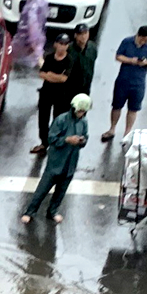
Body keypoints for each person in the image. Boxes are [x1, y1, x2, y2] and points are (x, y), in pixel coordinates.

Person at [22, 93, 90, 225]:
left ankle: (52, 211)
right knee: (43, 189)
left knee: (61, 190)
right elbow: (51, 139)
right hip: (56, 162)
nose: (81, 113)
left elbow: (86, 137)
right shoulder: (61, 120)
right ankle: (30, 211)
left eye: (83, 111)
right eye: (80, 110)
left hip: (71, 162)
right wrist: (67, 140)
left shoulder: (84, 122)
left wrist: (82, 141)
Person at [101, 24, 147, 143]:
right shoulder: (127, 42)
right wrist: (131, 60)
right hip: (123, 80)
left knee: (133, 109)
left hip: (139, 82)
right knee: (117, 106)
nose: (144, 42)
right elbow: (118, 56)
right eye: (143, 39)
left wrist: (146, 63)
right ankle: (112, 129)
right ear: (139, 35)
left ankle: (127, 133)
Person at [31, 34, 73, 154]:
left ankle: (56, 143)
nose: (62, 46)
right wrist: (55, 76)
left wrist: (50, 75)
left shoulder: (69, 59)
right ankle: (44, 143)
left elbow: (64, 79)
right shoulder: (49, 58)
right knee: (43, 119)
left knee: (58, 119)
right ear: (55, 44)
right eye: (60, 43)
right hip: (46, 93)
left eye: (65, 44)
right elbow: (42, 74)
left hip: (60, 94)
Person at [11, 0, 47, 68]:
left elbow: (32, 24)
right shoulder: (42, 0)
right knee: (38, 56)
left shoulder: (33, 6)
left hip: (26, 37)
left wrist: (33, 41)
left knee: (11, 55)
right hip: (39, 35)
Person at [66, 22, 97, 94]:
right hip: (70, 87)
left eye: (85, 33)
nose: (83, 36)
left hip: (86, 87)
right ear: (75, 35)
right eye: (81, 34)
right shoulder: (69, 49)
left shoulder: (92, 48)